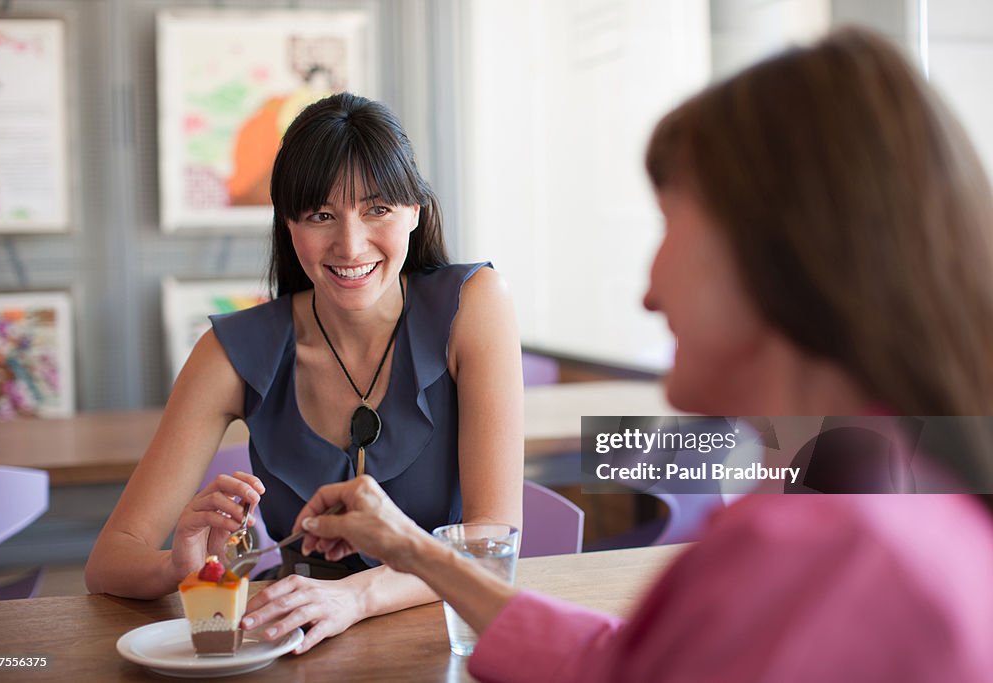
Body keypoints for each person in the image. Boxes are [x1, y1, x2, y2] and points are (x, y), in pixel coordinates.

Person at [286, 28, 993, 681]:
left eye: (672, 226)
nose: (650, 289)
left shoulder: (827, 553)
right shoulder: (874, 511)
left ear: (782, 257)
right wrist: (410, 548)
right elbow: (619, 662)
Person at [85, 93, 524, 653]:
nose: (350, 243)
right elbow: (109, 562)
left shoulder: (474, 305)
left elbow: (490, 546)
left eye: (377, 209)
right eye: (320, 215)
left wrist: (357, 597)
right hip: (294, 647)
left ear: (415, 209)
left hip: (440, 645)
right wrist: (179, 564)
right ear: (288, 225)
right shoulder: (230, 350)